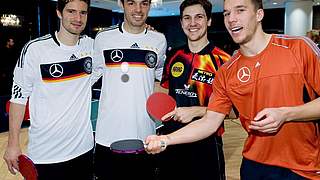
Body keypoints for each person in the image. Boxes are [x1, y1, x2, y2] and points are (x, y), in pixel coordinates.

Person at [145, 0, 320, 179]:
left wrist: (286, 114)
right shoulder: (227, 71)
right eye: (227, 13)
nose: (231, 19)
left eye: (240, 10)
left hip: (303, 168)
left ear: (259, 14)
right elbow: (210, 121)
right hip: (254, 165)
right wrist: (165, 139)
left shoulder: (299, 48)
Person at [3, 0, 97, 179]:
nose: (78, 18)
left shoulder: (92, 47)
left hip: (84, 151)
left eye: (83, 13)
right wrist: (13, 144)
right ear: (59, 13)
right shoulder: (35, 50)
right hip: (46, 156)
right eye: (71, 11)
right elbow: (18, 98)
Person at [93, 0, 167, 179]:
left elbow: (159, 81)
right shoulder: (103, 39)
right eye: (132, 3)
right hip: (108, 137)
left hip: (145, 138)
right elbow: (88, 78)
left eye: (144, 3)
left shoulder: (159, 40)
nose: (138, 9)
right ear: (121, 4)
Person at [156, 0, 230, 179]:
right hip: (173, 138)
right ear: (181, 23)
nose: (193, 23)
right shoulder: (174, 56)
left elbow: (234, 111)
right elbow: (165, 93)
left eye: (199, 17)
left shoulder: (223, 60)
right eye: (187, 18)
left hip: (207, 142)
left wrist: (196, 111)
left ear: (209, 20)